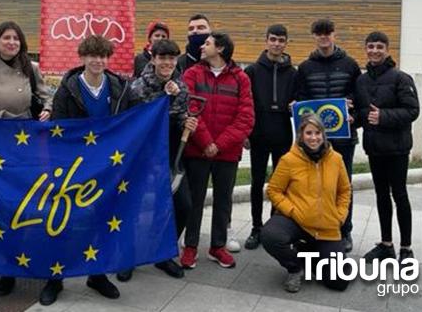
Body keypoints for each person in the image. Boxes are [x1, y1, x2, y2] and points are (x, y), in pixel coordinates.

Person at [40, 35, 123, 305]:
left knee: (101, 220)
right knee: (64, 221)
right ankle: (55, 277)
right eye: (92, 55)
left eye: (102, 55)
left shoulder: (118, 87)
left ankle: (96, 274)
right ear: (82, 57)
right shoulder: (69, 88)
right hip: (73, 168)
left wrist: (166, 101)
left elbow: (136, 117)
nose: (97, 60)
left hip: (105, 167)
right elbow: (60, 132)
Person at [0, 20, 52, 297]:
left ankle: (9, 269)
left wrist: (48, 111)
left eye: (16, 39)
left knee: (16, 207)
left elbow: (46, 97)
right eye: (6, 38)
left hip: (22, 147)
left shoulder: (32, 69)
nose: (11, 43)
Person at [120, 39, 194, 281]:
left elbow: (181, 115)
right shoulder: (137, 88)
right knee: (134, 206)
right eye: (163, 58)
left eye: (172, 59)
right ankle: (128, 255)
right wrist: (164, 97)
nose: (168, 63)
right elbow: (136, 121)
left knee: (183, 206)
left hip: (169, 156)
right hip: (140, 157)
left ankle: (161, 251)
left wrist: (187, 122)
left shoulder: (181, 87)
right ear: (153, 59)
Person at [180, 32, 254, 270]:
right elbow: (189, 108)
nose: (202, 46)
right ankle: (190, 246)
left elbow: (245, 118)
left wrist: (219, 144)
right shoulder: (192, 74)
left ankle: (217, 247)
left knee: (223, 201)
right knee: (195, 200)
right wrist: (205, 142)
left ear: (220, 49)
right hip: (197, 151)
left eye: (208, 43)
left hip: (227, 153)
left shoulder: (241, 78)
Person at [261, 114, 351, 293]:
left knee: (339, 283)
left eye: (317, 133)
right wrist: (292, 210)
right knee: (271, 235)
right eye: (309, 133)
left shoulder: (336, 160)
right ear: (301, 135)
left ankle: (312, 253)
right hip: (297, 220)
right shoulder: (289, 160)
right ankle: (295, 267)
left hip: (326, 226)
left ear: (323, 135)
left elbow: (345, 191)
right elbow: (273, 190)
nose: (313, 137)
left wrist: (340, 216)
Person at [295, 18, 361, 252]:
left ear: (335, 34)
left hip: (344, 138)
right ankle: (314, 230)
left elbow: (358, 97)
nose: (324, 37)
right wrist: (298, 106)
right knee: (313, 186)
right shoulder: (304, 67)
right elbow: (301, 96)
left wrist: (353, 112)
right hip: (314, 140)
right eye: (319, 33)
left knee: (343, 186)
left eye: (328, 33)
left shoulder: (351, 65)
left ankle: (344, 231)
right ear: (314, 36)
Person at [356, 32, 420, 262]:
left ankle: (406, 248)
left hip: (397, 149)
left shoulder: (401, 78)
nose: (374, 50)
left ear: (387, 49)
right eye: (370, 46)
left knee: (400, 195)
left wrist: (383, 116)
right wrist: (352, 115)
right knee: (381, 196)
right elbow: (363, 113)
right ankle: (386, 244)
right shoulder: (361, 81)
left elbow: (412, 111)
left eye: (379, 46)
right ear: (366, 49)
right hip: (374, 148)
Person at [243, 24, 296, 250]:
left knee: (280, 182)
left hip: (283, 132)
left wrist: (296, 105)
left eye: (281, 40)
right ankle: (256, 227)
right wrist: (245, 132)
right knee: (257, 181)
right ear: (266, 41)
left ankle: (274, 226)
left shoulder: (294, 73)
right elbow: (245, 104)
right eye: (273, 39)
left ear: (286, 43)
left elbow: (300, 99)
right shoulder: (253, 70)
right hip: (258, 133)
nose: (276, 44)